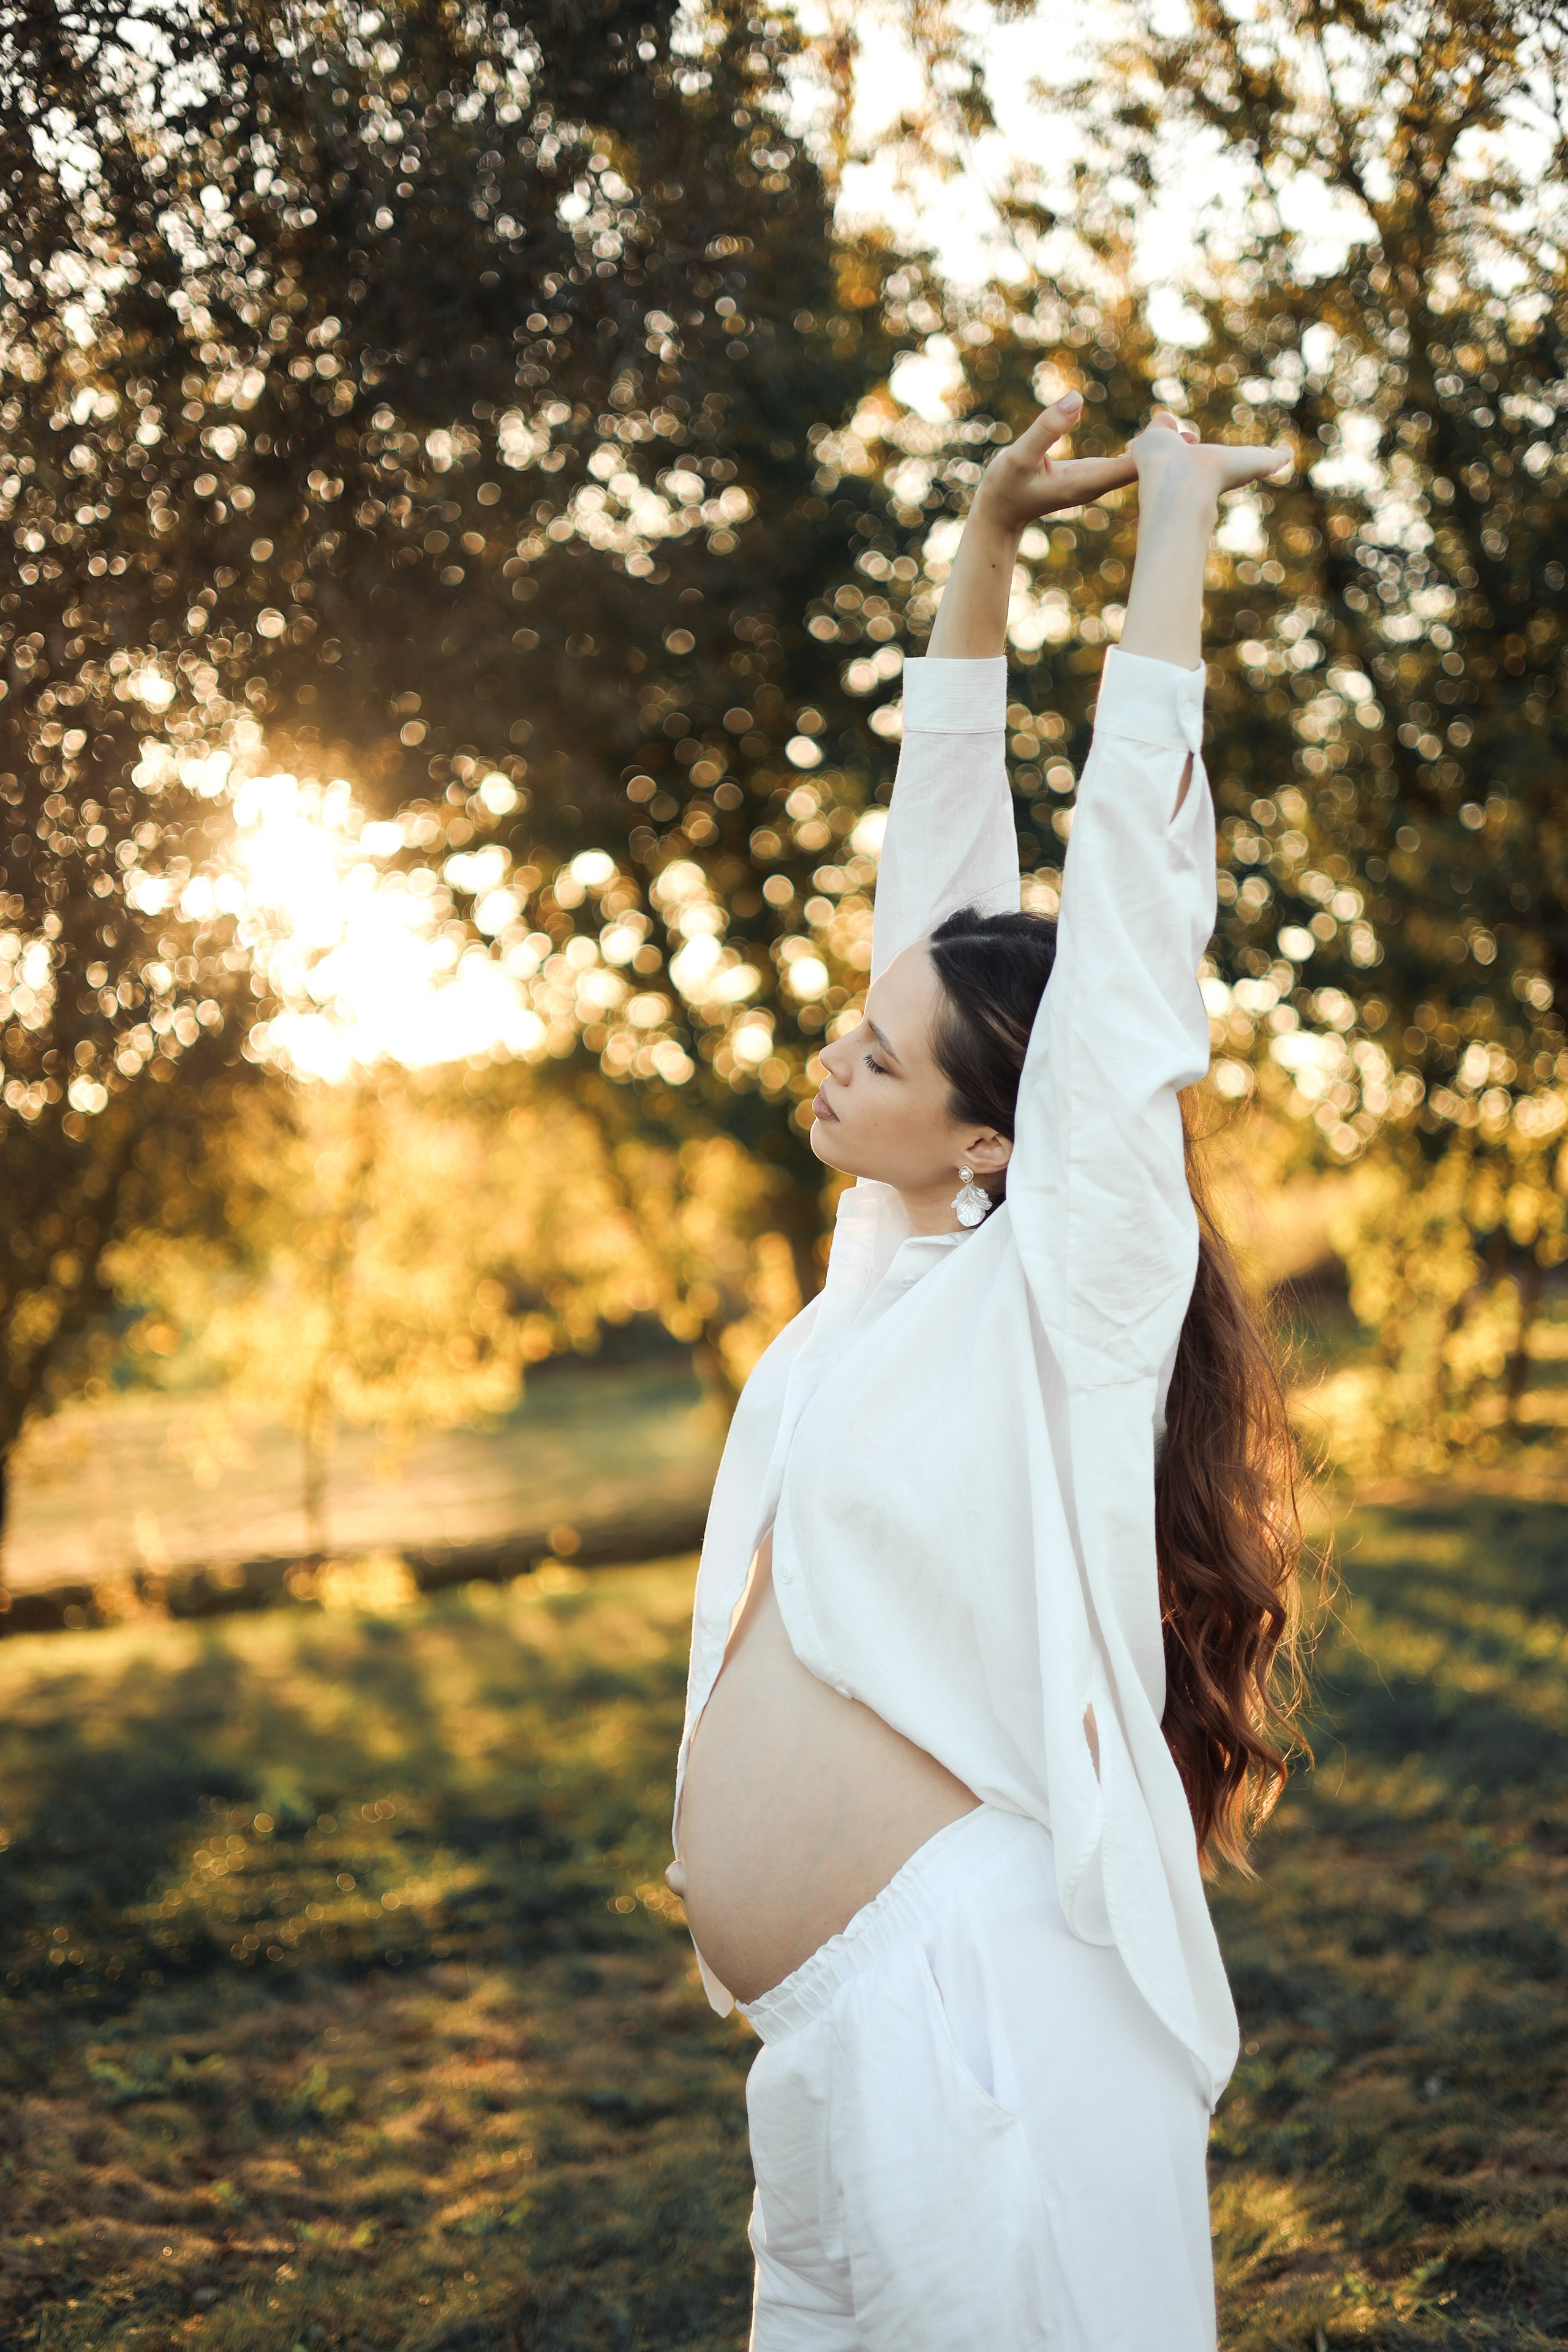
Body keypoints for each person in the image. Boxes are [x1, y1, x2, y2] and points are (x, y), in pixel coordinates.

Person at [666, 393, 1303, 2351]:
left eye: (887, 1051)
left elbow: (1117, 958)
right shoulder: (887, 1276)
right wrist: (986, 550)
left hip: (986, 2024)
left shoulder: (1067, 1298)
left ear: (995, 1142)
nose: (841, 1054)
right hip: (831, 2042)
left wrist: (1174, 538)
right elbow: (937, 888)